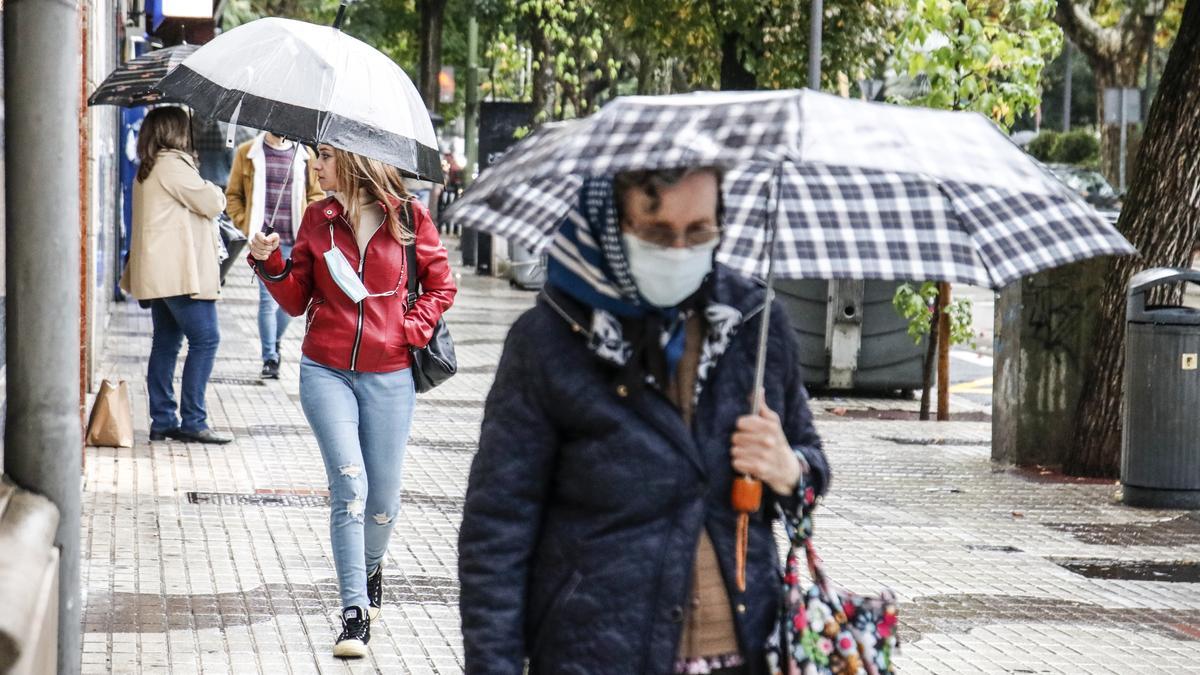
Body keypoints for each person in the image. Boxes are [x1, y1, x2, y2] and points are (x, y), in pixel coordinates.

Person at [458, 169, 831, 674]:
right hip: (596, 653)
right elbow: (497, 529)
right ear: (613, 225)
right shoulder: (550, 339)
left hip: (744, 649)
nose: (679, 250)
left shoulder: (755, 324)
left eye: (699, 231)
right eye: (656, 233)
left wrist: (789, 468)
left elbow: (810, 468)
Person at [247, 144, 456, 659]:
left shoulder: (409, 217)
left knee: (383, 502)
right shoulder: (319, 217)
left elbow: (441, 285)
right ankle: (354, 613)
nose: (315, 166)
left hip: (390, 375)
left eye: (324, 156)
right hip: (325, 369)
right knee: (349, 484)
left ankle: (368, 569)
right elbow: (296, 299)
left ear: (356, 160)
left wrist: (409, 328)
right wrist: (267, 260)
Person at [120, 107, 233, 446]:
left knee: (166, 344)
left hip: (161, 274)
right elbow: (212, 202)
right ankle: (193, 420)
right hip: (179, 274)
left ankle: (164, 420)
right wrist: (211, 185)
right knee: (206, 339)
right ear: (176, 132)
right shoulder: (172, 164)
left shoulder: (151, 166)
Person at [226, 131, 325, 379]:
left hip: (295, 240)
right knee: (267, 301)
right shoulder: (246, 152)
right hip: (264, 241)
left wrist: (310, 221)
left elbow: (317, 195)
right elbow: (233, 196)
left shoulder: (304, 155)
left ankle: (274, 339)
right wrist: (246, 223)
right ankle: (270, 357)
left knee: (293, 302)